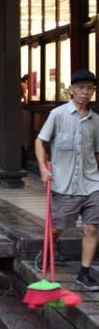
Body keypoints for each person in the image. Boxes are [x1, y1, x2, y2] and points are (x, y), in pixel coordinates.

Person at [35, 68, 99, 291]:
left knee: (91, 228)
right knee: (58, 227)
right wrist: (43, 169)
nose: (85, 92)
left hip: (91, 183)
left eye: (90, 88)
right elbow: (40, 141)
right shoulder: (58, 114)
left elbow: (96, 152)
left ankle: (84, 274)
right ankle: (47, 249)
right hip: (64, 184)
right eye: (81, 88)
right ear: (71, 90)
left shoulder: (95, 120)